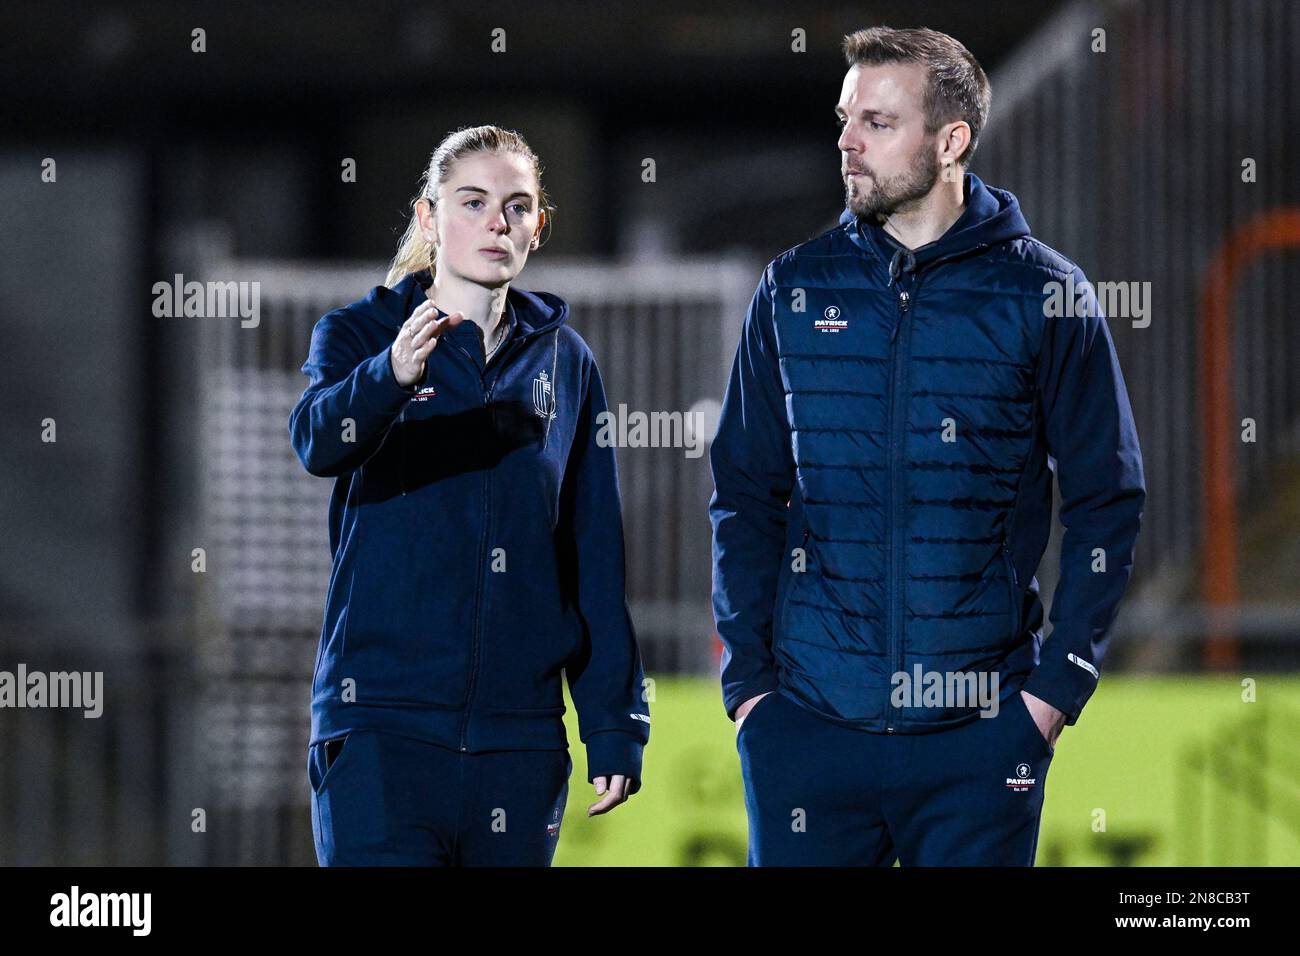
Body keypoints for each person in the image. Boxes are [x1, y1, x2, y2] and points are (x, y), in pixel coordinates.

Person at [709, 26, 1146, 866]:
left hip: (980, 745)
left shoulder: (1046, 293)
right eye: (845, 118)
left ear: (951, 141)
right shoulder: (794, 287)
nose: (846, 141)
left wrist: (1055, 692)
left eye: (877, 121)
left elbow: (1107, 500)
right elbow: (743, 493)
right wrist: (751, 694)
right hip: (807, 735)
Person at [289, 124, 649, 866]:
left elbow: (593, 551)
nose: (498, 222)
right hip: (380, 732)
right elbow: (317, 442)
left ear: (538, 228)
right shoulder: (360, 334)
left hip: (517, 746)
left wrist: (613, 721)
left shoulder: (568, 363)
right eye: (474, 201)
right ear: (429, 217)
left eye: (518, 207)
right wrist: (387, 375)